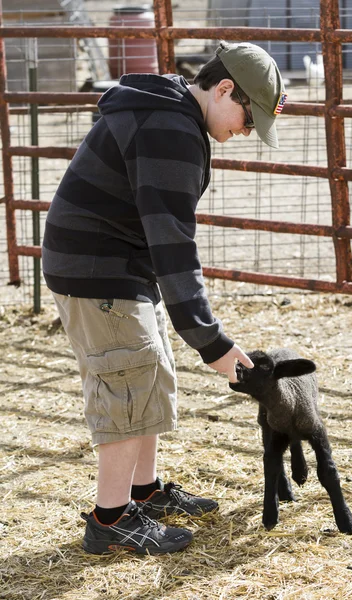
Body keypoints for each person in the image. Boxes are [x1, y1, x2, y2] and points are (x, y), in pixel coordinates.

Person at [42, 41, 286, 556]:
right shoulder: (171, 130)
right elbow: (173, 244)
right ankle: (110, 520)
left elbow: (162, 238)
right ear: (224, 89)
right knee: (127, 380)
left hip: (118, 263)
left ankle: (144, 492)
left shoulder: (172, 109)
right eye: (248, 115)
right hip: (99, 270)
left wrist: (198, 332)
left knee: (146, 370)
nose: (246, 130)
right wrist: (212, 342)